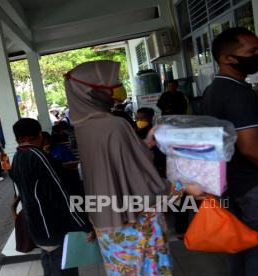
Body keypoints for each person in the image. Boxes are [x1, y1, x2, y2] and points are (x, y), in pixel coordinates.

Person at [64, 60, 205, 275]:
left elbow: (117, 161)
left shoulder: (83, 125)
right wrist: (184, 188)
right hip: (134, 222)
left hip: (107, 218)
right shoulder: (114, 124)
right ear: (92, 91)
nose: (118, 86)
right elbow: (143, 182)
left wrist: (146, 143)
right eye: (113, 83)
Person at [202, 27, 258, 275]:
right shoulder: (237, 93)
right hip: (255, 186)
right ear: (227, 58)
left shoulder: (213, 91)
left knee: (240, 247)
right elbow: (251, 148)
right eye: (252, 51)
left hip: (231, 183)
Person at [9, 118, 94, 276]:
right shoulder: (38, 156)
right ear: (39, 134)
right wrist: (83, 225)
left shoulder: (18, 156)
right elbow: (61, 193)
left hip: (35, 225)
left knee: (50, 264)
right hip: (52, 225)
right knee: (61, 266)